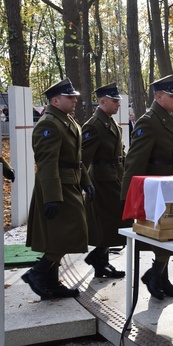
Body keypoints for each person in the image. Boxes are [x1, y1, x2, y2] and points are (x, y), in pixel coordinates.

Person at [120, 74, 173, 300]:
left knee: (172, 232)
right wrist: (128, 196)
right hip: (156, 185)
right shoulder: (149, 121)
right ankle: (156, 274)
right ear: (159, 96)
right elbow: (134, 161)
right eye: (172, 95)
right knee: (164, 232)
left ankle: (159, 276)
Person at [23, 78, 95, 300]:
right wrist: (52, 196)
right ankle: (38, 273)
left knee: (59, 235)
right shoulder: (49, 124)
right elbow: (47, 162)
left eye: (74, 97)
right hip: (57, 187)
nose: (74, 100)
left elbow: (77, 159)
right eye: (69, 97)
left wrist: (86, 181)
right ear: (55, 100)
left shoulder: (67, 121)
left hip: (70, 183)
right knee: (69, 233)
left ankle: (51, 283)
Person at [81, 83, 133, 278]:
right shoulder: (94, 125)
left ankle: (100, 260)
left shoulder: (110, 122)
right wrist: (84, 183)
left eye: (118, 100)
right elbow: (83, 158)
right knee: (112, 220)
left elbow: (120, 152)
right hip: (101, 180)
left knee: (113, 221)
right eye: (114, 100)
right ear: (102, 102)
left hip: (115, 176)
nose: (118, 103)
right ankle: (99, 258)